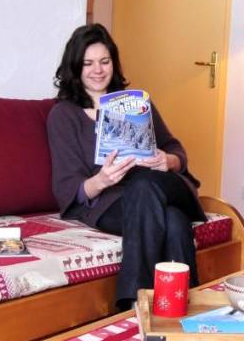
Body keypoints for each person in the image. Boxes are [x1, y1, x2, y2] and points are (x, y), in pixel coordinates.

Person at [47, 23, 206, 310]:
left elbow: (175, 149)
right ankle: (183, 307)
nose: (98, 70)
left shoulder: (136, 104)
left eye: (104, 61)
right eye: (88, 63)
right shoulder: (64, 115)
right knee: (173, 222)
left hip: (160, 184)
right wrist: (102, 180)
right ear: (75, 67)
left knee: (144, 184)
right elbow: (69, 187)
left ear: (114, 63)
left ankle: (133, 299)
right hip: (111, 202)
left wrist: (167, 160)